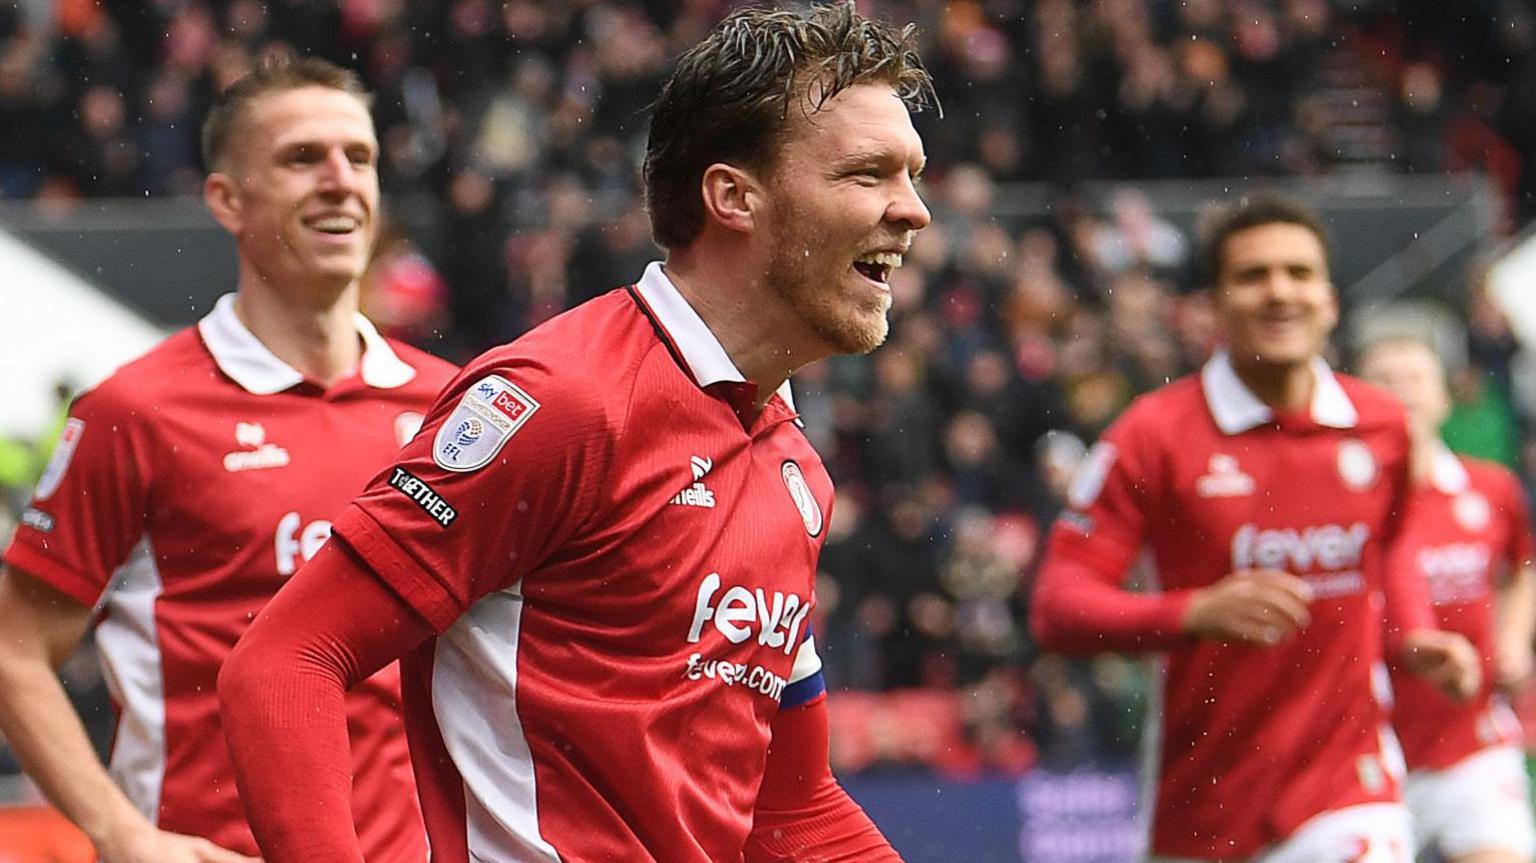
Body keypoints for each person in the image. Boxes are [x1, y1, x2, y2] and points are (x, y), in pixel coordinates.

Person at [217, 5, 933, 863]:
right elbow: (286, 660)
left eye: (913, 174)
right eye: (869, 174)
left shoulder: (795, 471)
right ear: (733, 197)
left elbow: (795, 808)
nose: (913, 210)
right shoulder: (564, 402)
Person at [0, 55, 457, 863]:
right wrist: (117, 831)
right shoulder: (138, 412)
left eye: (359, 157)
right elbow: (14, 648)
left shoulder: (452, 413)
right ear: (226, 200)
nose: (339, 180)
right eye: (300, 157)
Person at [1029, 195, 1481, 863]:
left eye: (1299, 273)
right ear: (1210, 306)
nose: (1279, 292)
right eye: (1253, 275)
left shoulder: (1383, 426)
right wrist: (1195, 611)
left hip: (1347, 785)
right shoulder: (1152, 435)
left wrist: (1413, 632)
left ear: (1329, 300)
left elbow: (1396, 546)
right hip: (1203, 802)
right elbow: (1057, 607)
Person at [1359, 336, 1536, 863]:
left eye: (1415, 379)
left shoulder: (1491, 489)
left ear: (1444, 396)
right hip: (1366, 759)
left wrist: (1513, 635)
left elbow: (1524, 564)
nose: (1402, 392)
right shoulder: (1334, 499)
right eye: (1385, 381)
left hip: (1469, 747)